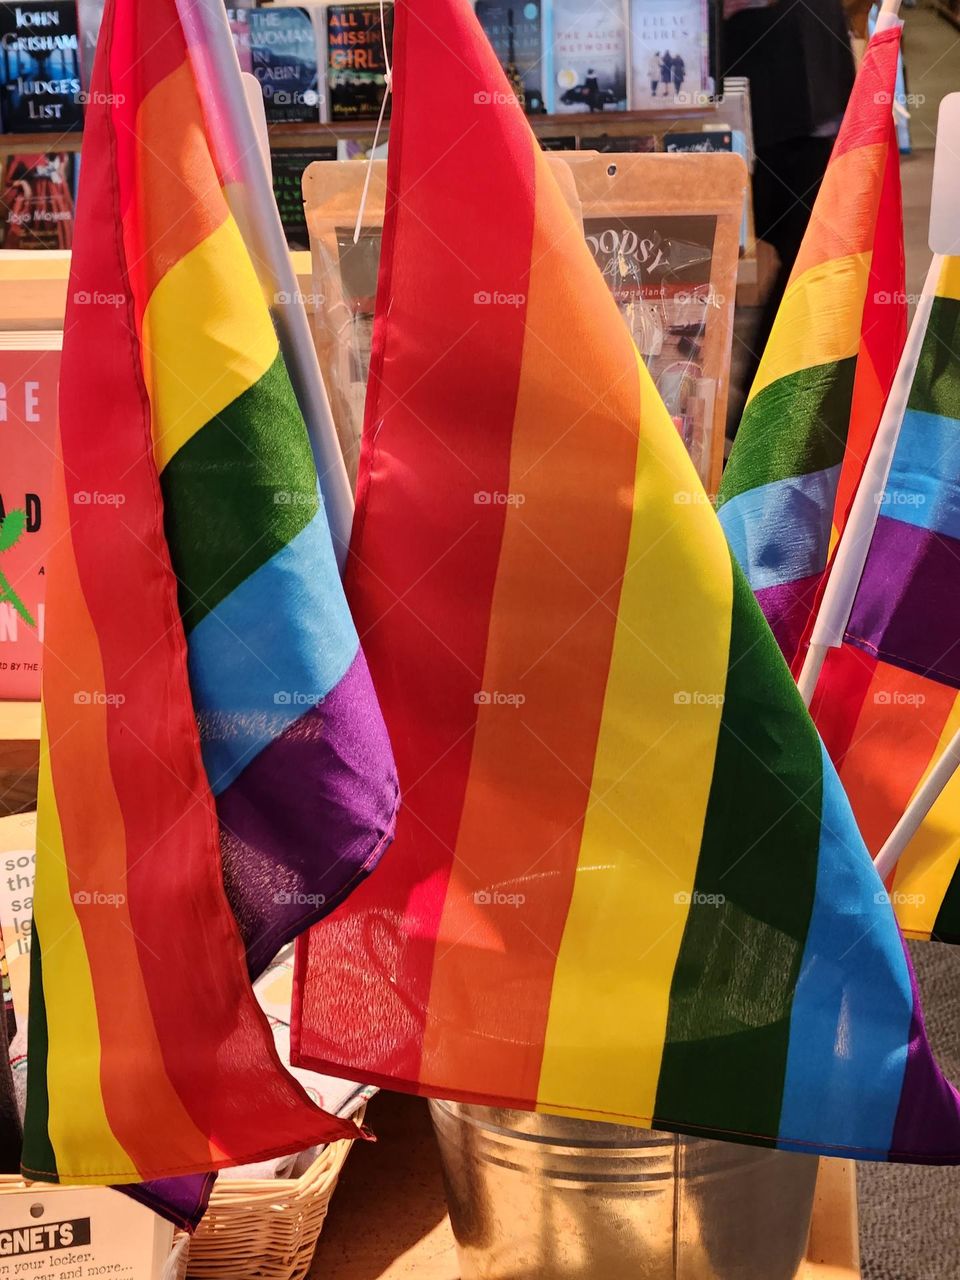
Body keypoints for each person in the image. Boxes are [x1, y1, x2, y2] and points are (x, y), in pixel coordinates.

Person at [722, 0, 855, 408]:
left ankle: (773, 389)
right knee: (801, 246)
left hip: (801, 79)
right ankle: (770, 390)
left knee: (806, 246)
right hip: (770, 77)